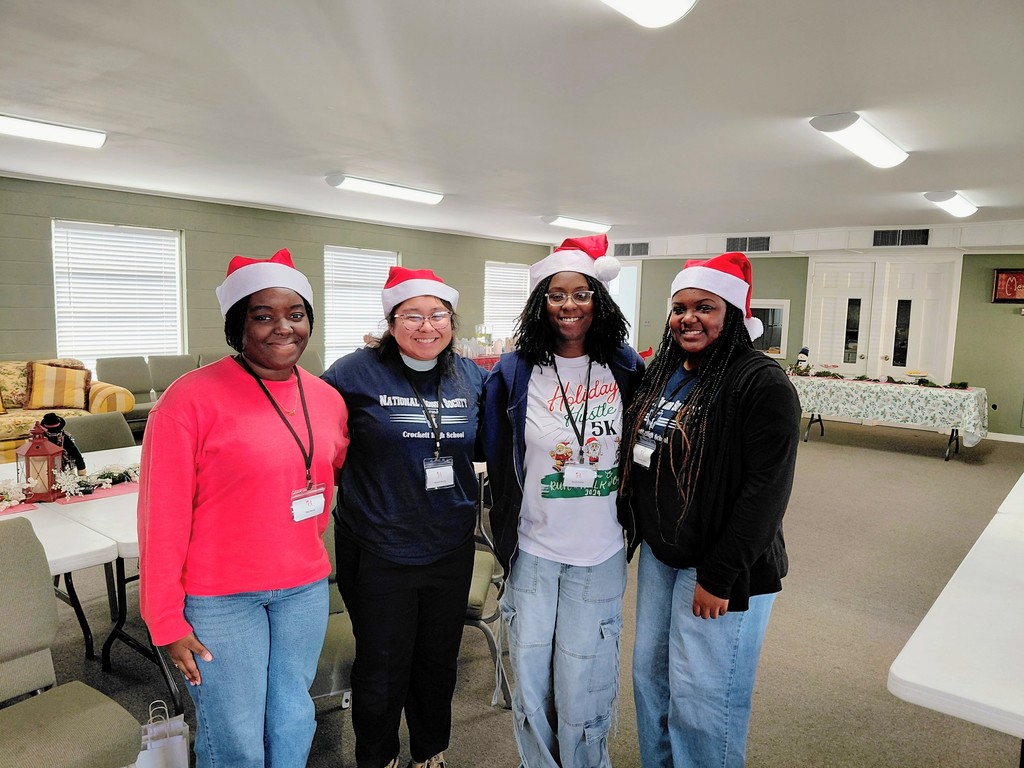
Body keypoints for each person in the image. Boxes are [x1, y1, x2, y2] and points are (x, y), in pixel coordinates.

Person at [138, 248, 350, 768]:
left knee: (293, 717)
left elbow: (327, 481)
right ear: (238, 325)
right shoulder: (188, 400)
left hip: (302, 588)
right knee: (234, 734)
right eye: (263, 316)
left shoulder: (327, 399)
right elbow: (160, 519)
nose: (283, 328)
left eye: (295, 314)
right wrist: (164, 618)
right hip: (220, 597)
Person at [619, 251, 801, 768]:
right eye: (679, 308)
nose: (688, 318)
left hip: (721, 567)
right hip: (663, 555)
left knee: (703, 695)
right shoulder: (666, 372)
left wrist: (720, 576)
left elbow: (765, 492)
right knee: (650, 676)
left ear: (735, 316)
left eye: (705, 307)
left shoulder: (759, 382)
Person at [480, 234, 645, 768]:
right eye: (556, 295)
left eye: (582, 293)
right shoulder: (513, 371)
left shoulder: (625, 368)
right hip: (532, 547)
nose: (569, 305)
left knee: (584, 679)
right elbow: (490, 452)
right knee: (530, 679)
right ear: (540, 304)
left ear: (599, 299)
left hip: (599, 550)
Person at [321, 266, 486, 768]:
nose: (426, 326)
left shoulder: (470, 376)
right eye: (410, 315)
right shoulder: (352, 373)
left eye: (438, 314)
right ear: (390, 322)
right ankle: (378, 758)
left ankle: (430, 751)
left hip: (450, 543)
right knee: (382, 664)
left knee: (438, 661)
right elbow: (308, 431)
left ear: (452, 321)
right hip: (378, 546)